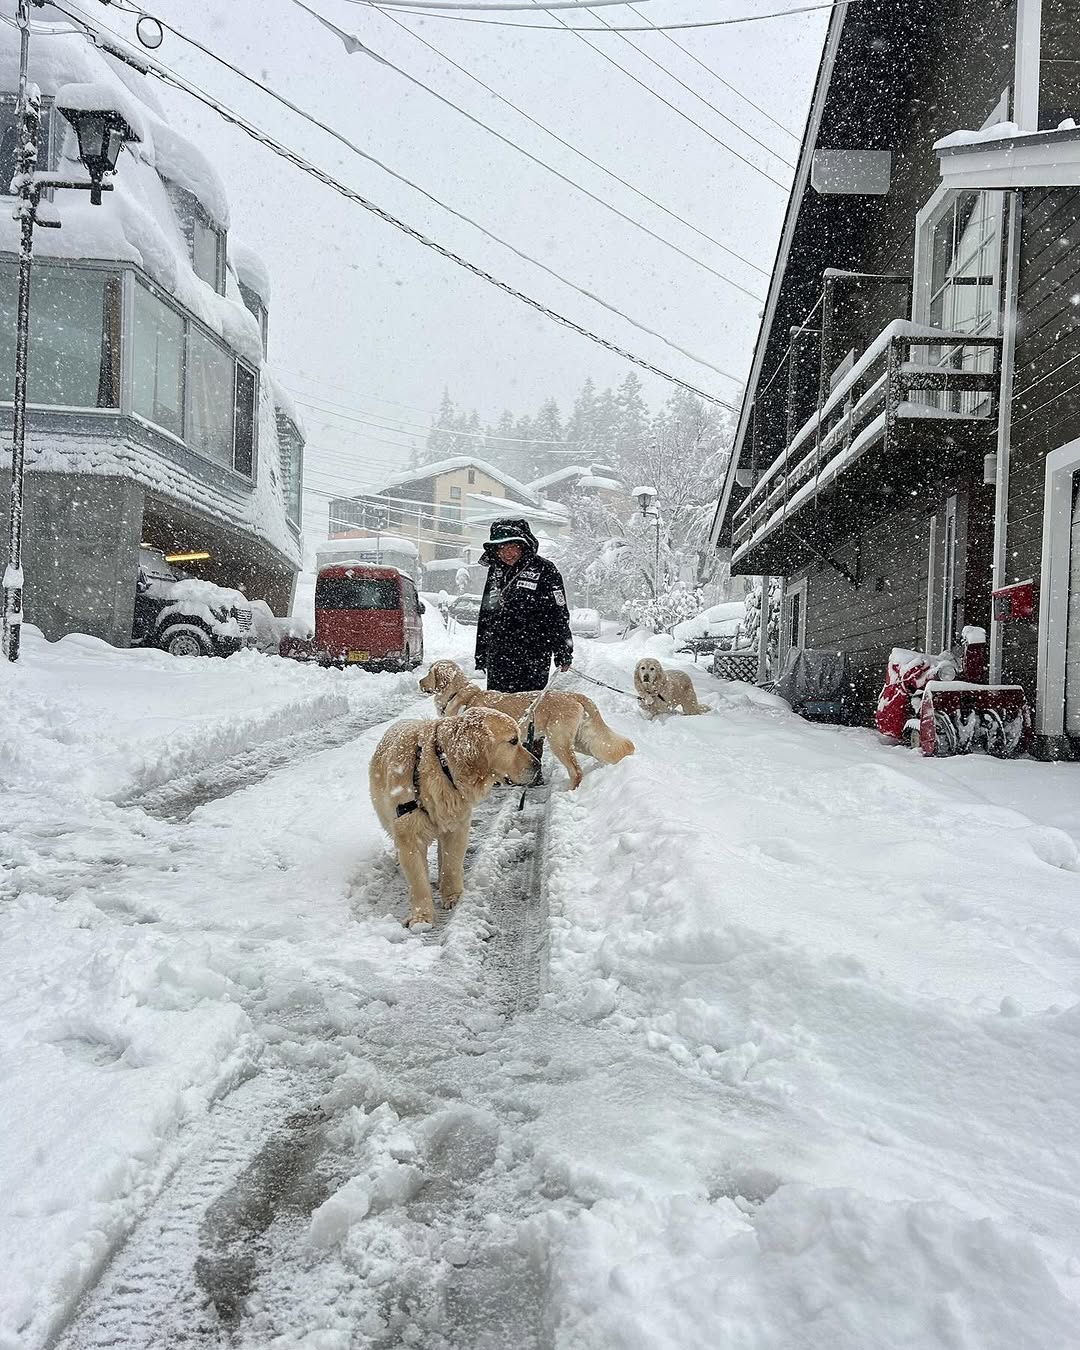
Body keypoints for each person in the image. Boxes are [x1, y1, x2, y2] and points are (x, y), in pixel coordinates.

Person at [475, 518, 573, 696]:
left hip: (533, 655)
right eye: (501, 548)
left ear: (523, 545)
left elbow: (559, 614)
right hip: (499, 655)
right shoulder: (495, 571)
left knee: (527, 709)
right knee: (499, 710)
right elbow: (486, 613)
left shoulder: (545, 570)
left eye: (512, 546)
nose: (507, 553)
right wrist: (481, 654)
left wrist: (563, 651)